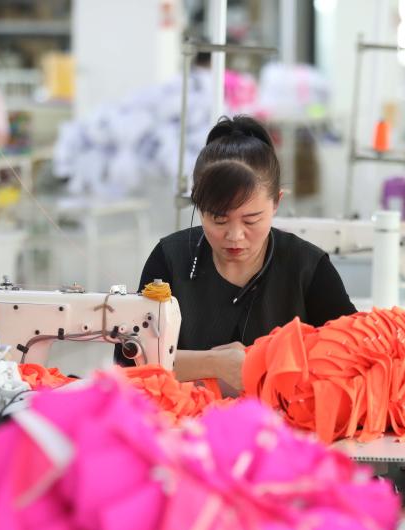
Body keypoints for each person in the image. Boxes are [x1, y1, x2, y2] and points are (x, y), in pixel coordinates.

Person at [131, 115, 356, 393]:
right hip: (186, 417)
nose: (235, 236)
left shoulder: (308, 268)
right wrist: (213, 363)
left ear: (276, 203)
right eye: (219, 219)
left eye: (251, 220)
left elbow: (351, 357)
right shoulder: (170, 259)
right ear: (198, 206)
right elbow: (130, 361)